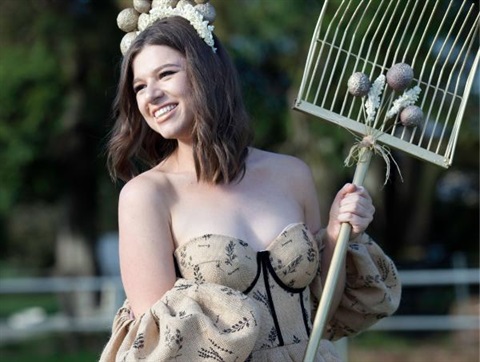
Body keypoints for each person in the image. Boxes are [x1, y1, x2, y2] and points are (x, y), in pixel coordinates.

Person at [100, 1, 401, 361]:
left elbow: (322, 310)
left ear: (207, 73)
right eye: (139, 86)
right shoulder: (147, 195)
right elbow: (161, 347)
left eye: (166, 74)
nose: (151, 95)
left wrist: (337, 235)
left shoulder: (292, 174)